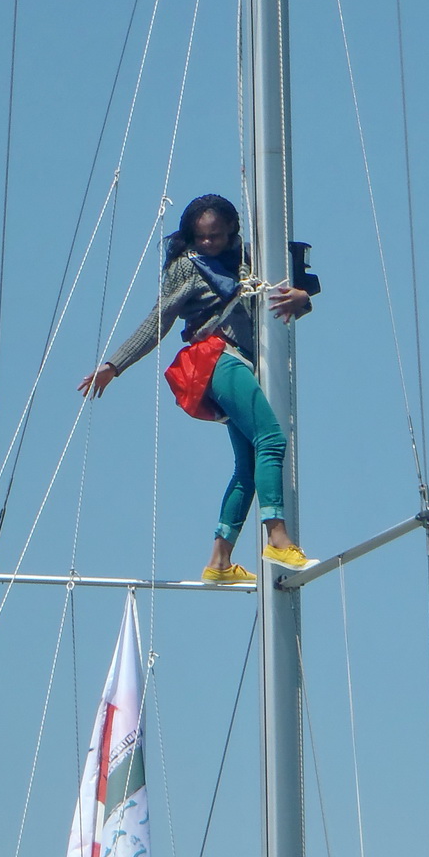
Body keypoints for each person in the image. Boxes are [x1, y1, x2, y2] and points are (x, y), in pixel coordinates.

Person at [79, 194, 318, 584]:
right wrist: (114, 365)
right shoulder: (187, 267)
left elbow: (287, 298)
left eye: (216, 236)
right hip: (217, 358)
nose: (208, 243)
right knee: (271, 439)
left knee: (248, 467)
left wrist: (303, 299)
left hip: (245, 362)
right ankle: (278, 537)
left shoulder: (250, 261)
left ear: (232, 231)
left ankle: (219, 562)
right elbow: (158, 321)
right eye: (201, 237)